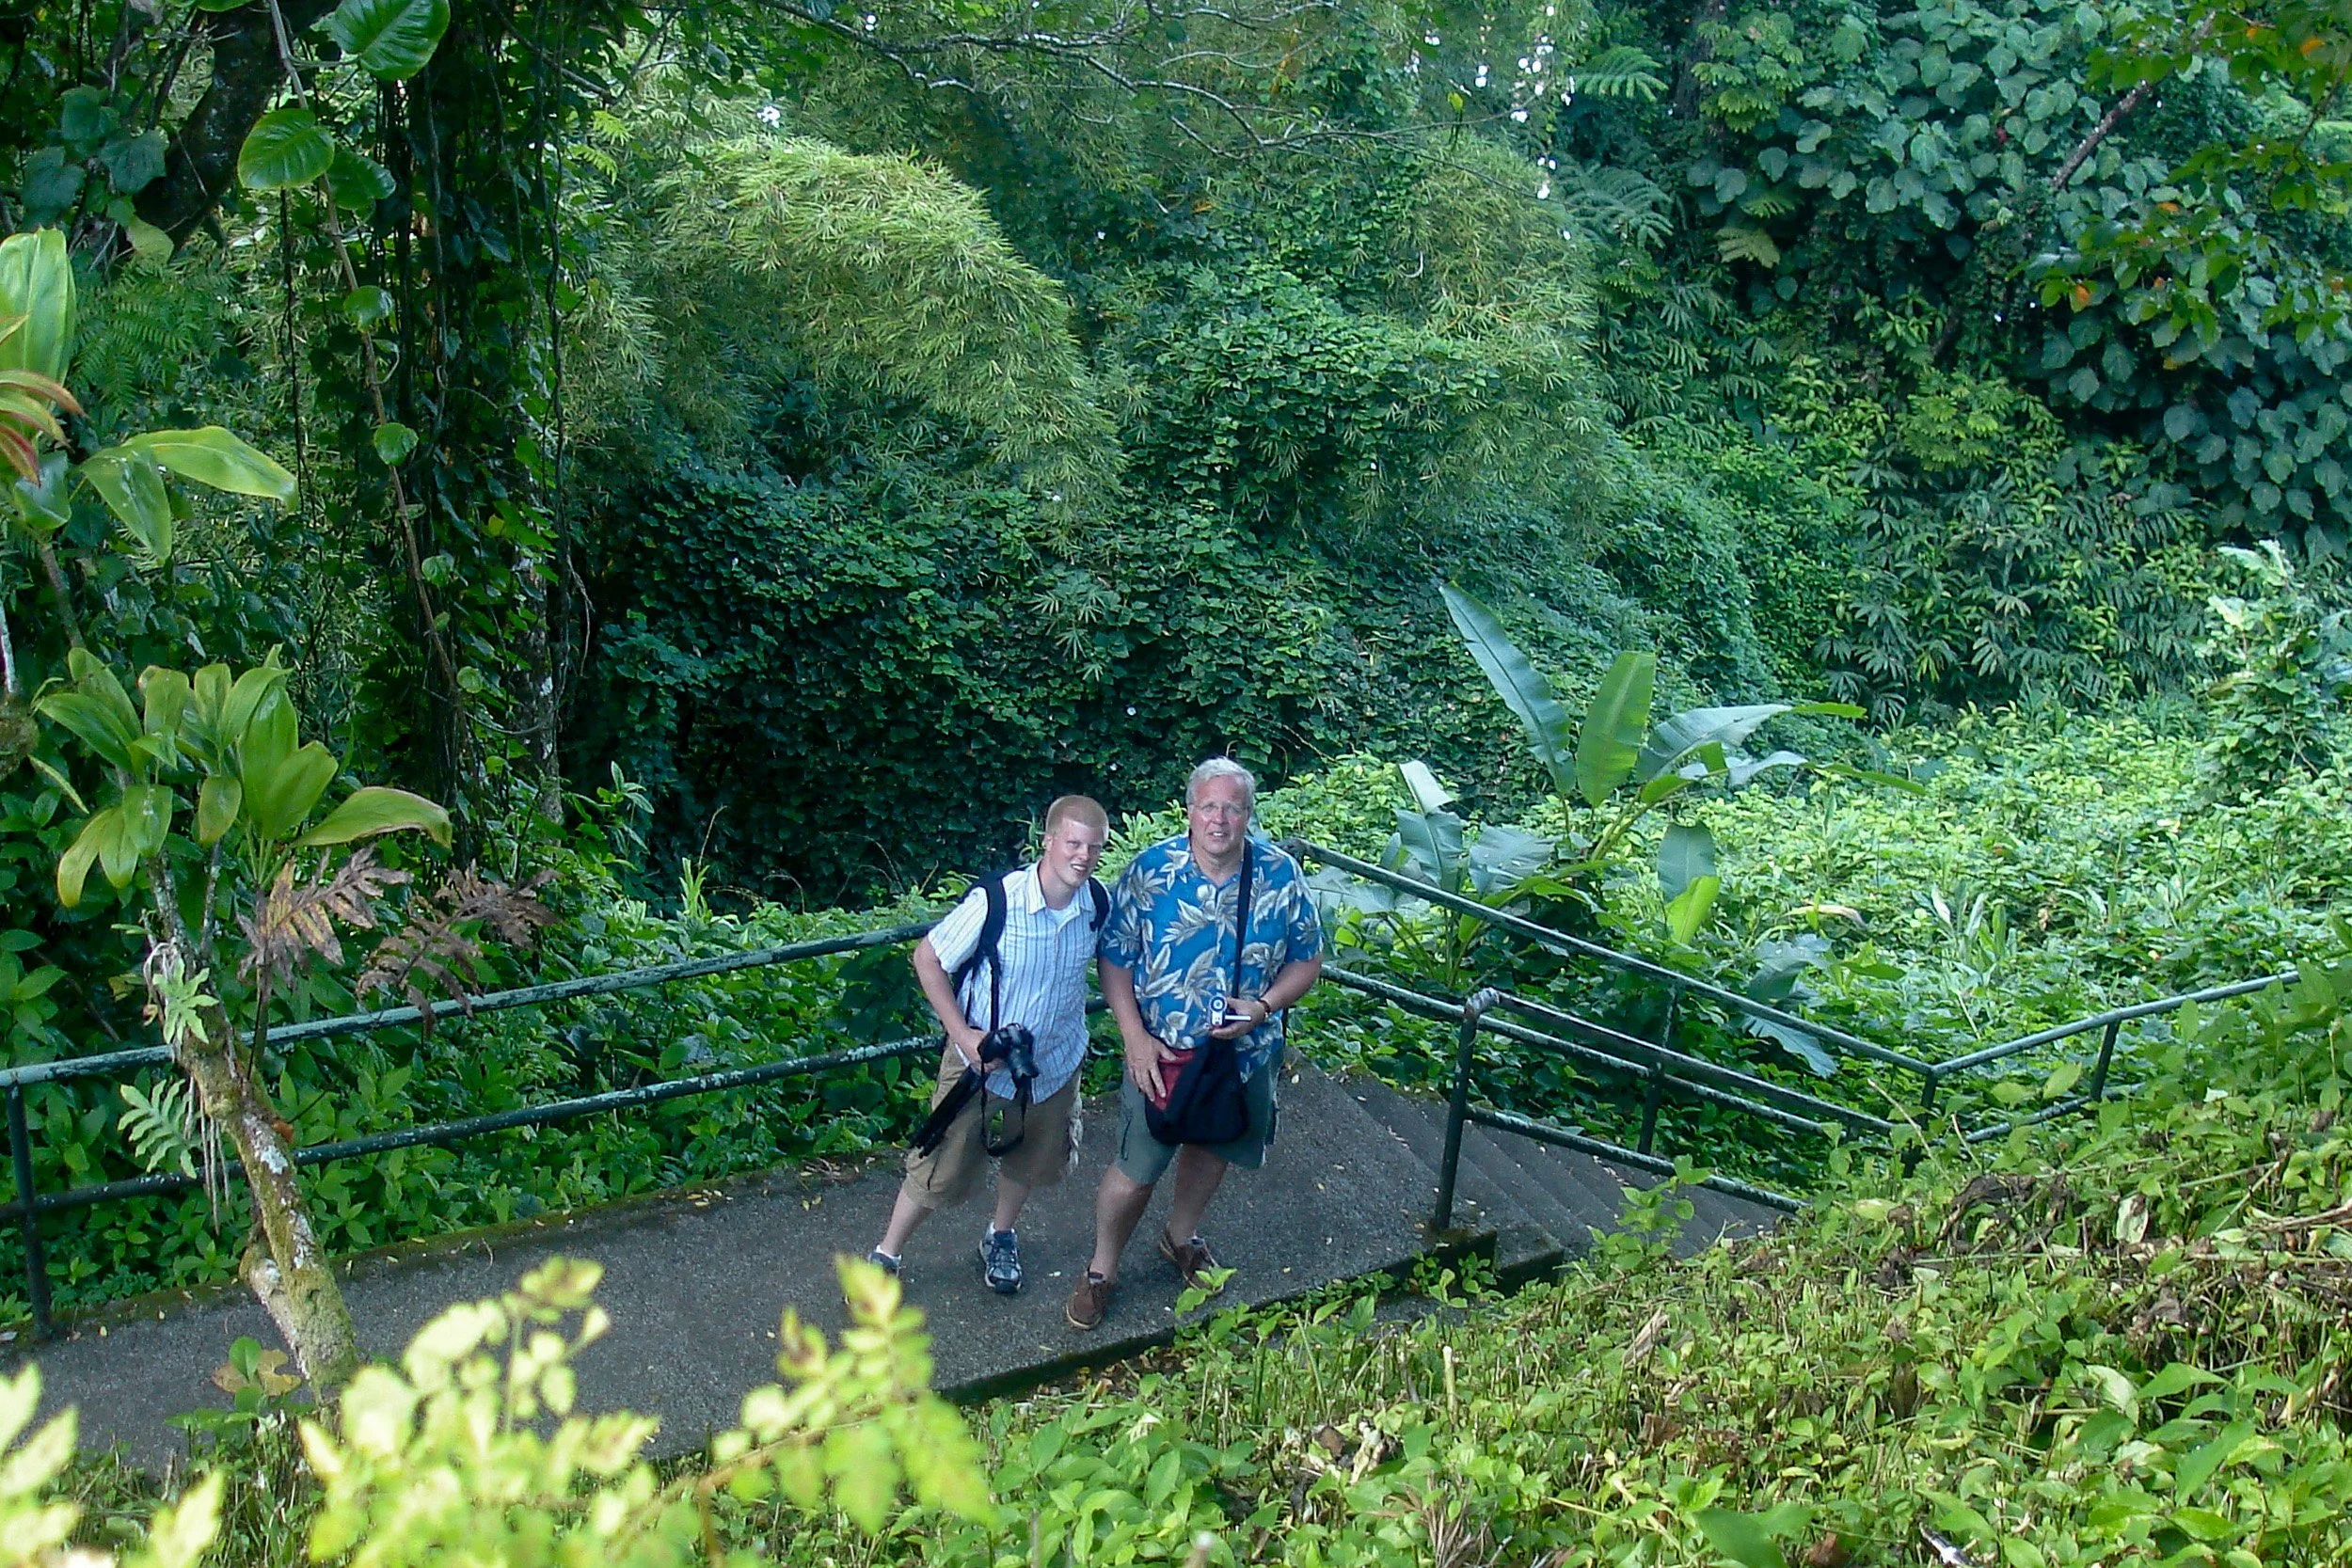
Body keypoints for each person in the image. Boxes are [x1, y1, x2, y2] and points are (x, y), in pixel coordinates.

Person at [1065, 758, 1324, 1331]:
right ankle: (1101, 1268)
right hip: (1161, 1055)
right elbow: (1115, 959)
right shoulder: (1151, 872)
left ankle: (1180, 1236)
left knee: (1212, 1149)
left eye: (1232, 808)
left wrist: (1263, 1007)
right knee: (1136, 1169)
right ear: (1189, 811)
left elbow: (1308, 958)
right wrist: (1133, 1038)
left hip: (1243, 1056)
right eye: (1208, 806)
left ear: (1248, 814)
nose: (1219, 819)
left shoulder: (1280, 875)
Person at [868, 796, 1109, 1295]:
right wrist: (965, 1036)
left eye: (1093, 847)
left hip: (1054, 1063)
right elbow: (928, 958)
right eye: (1072, 844)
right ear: (1048, 840)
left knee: (1031, 1159)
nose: (1083, 857)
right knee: (938, 1166)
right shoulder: (999, 901)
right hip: (978, 1066)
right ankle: (887, 1252)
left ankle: (1000, 1235)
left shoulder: (1098, 904)